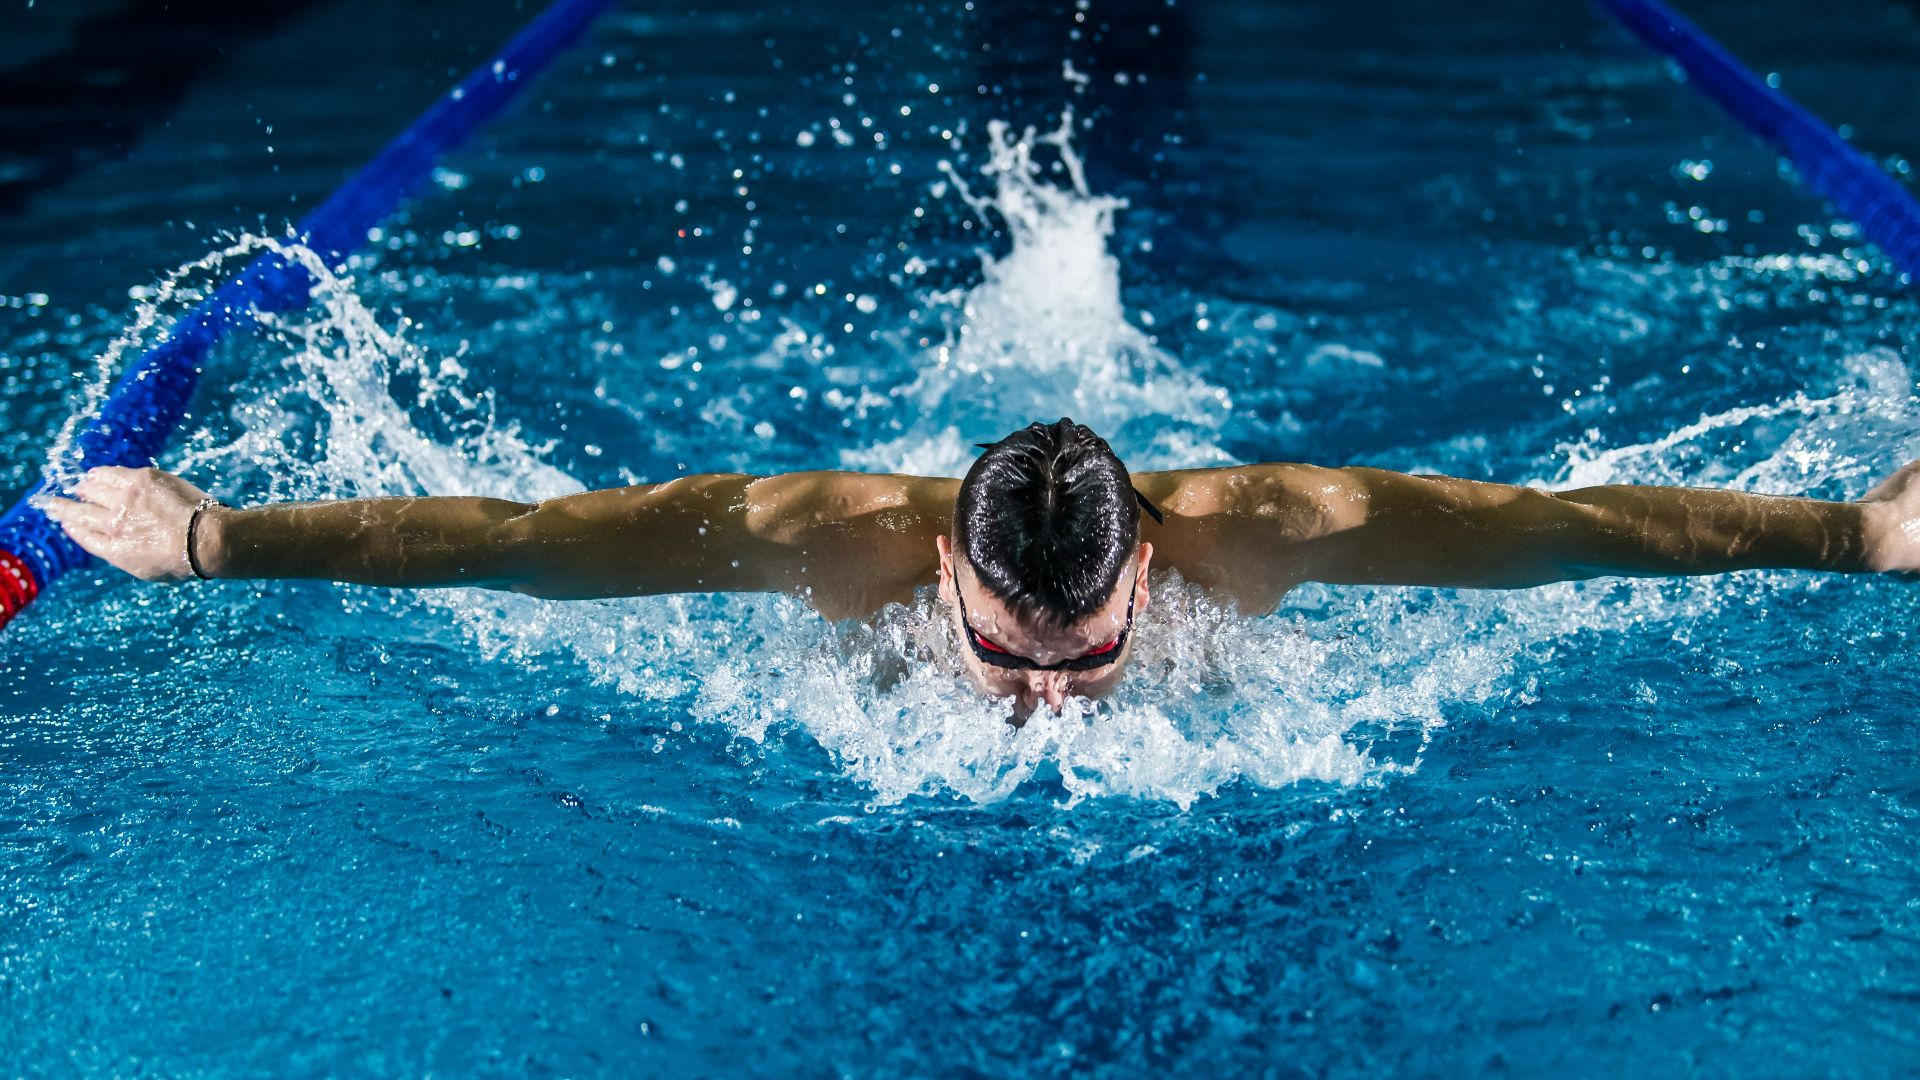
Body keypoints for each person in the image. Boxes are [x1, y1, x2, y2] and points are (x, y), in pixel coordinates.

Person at [40, 417, 1920, 716]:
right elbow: (523, 550)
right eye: (1007, 659)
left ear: (1152, 569)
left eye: (1088, 667)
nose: (1037, 711)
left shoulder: (1282, 531)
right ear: (934, 560)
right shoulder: (811, 540)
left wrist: (1857, 535)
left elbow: (1562, 533)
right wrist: (215, 540)